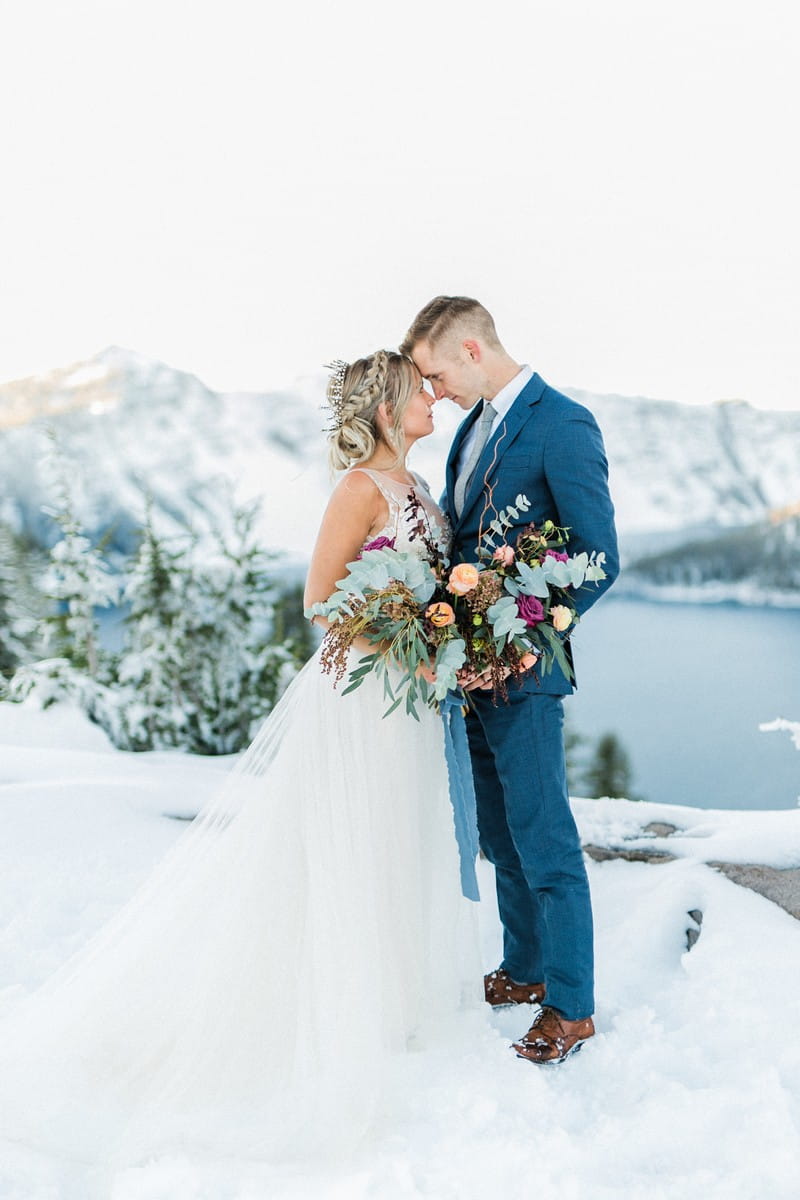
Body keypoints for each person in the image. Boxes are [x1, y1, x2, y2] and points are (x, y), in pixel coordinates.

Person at [0, 349, 480, 1166]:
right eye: (418, 393)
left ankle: (386, 999)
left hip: (407, 701)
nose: (432, 401)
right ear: (387, 408)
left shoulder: (420, 490)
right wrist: (403, 638)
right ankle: (334, 1012)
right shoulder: (360, 488)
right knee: (346, 844)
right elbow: (319, 600)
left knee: (397, 839)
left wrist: (443, 629)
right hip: (360, 694)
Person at [401, 297, 619, 1063]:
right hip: (471, 672)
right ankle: (526, 968)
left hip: (525, 669)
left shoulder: (562, 423)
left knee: (543, 836)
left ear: (469, 348)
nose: (432, 392)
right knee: (498, 833)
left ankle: (572, 1004)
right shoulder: (471, 429)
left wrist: (524, 630)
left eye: (433, 374)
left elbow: (598, 556)